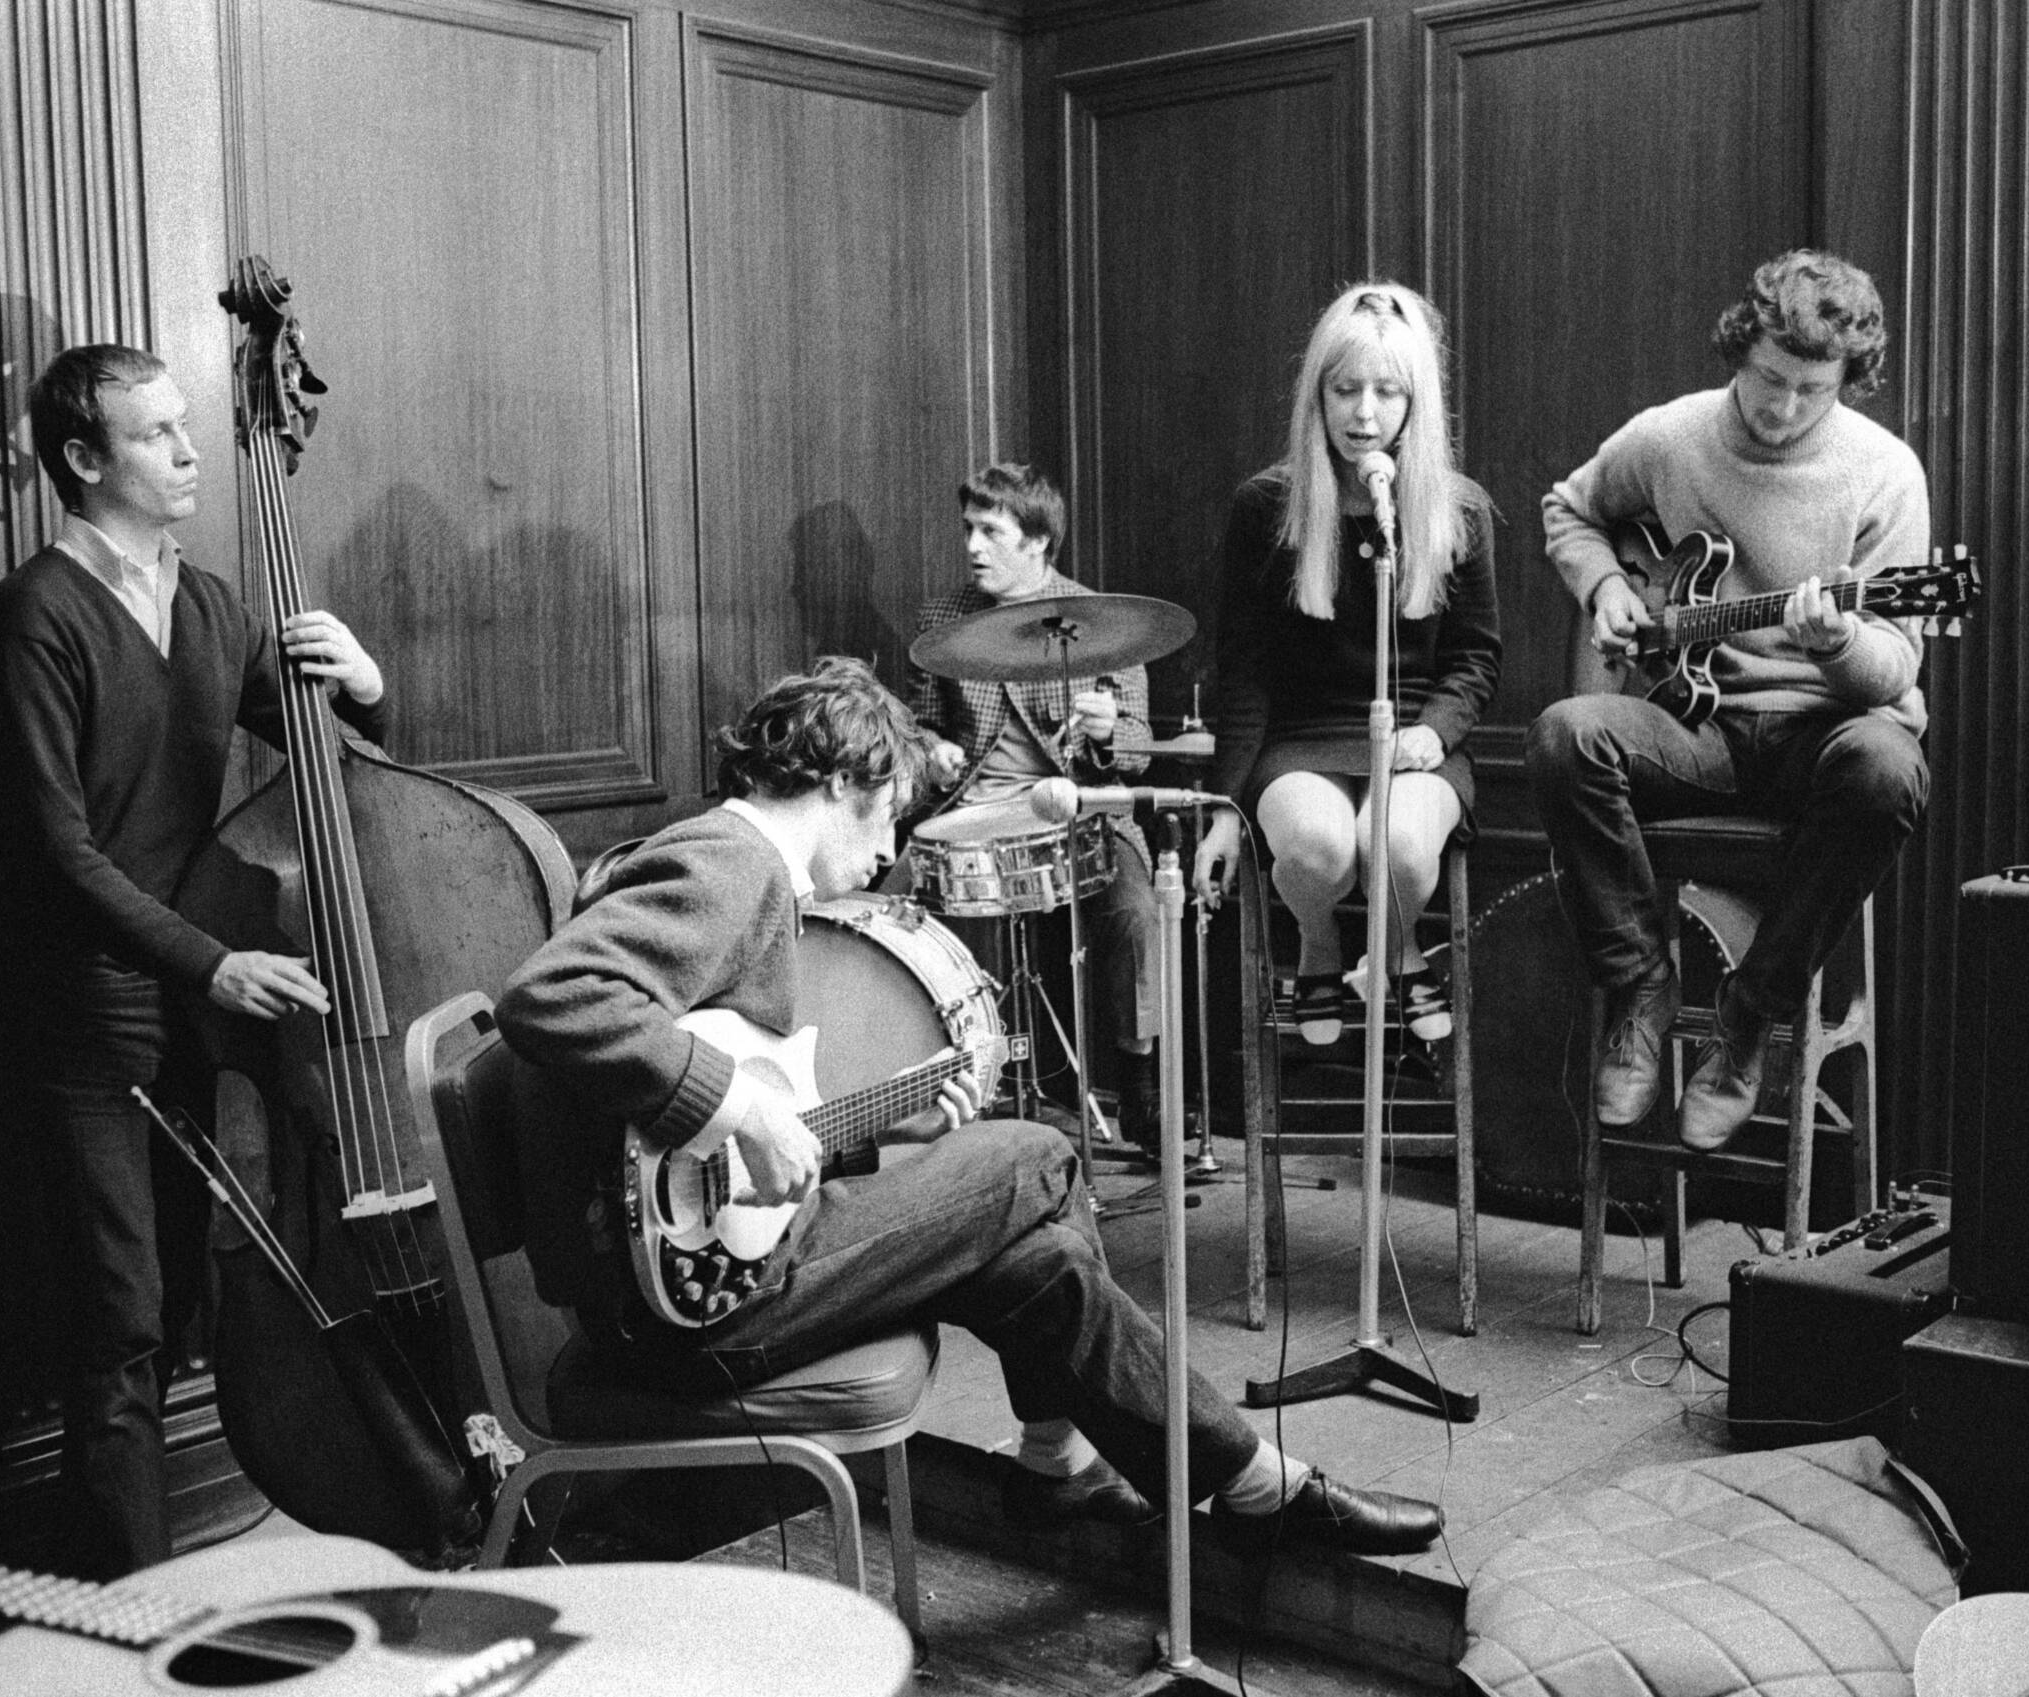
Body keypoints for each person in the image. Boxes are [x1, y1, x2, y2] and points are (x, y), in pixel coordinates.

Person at [496, 658, 1443, 1554]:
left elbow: (719, 1164)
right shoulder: (728, 864)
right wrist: (741, 1105)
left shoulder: (728, 865)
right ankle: (1117, 1473)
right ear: (839, 782)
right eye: (888, 817)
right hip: (697, 1321)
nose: (885, 849)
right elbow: (551, 995)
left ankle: (1217, 1477)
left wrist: (876, 1131)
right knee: (1038, 1153)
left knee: (1039, 1267)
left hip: (694, 1287)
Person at [0, 343, 389, 1577]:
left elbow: (329, 752)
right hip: (91, 1021)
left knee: (188, 1305)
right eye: (157, 435)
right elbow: (58, 853)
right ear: (86, 460)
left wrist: (362, 686)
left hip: (197, 1011)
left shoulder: (207, 603)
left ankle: (163, 1590)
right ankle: (131, 1619)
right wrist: (214, 964)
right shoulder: (35, 614)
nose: (193, 450)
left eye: (187, 426)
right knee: (122, 1322)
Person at [1525, 249, 1931, 1152]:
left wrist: (1838, 643)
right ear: (1738, 351)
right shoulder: (1673, 437)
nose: (1783, 407)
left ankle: (1750, 1017)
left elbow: (1895, 671)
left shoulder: (1885, 473)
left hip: (1821, 739)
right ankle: (1641, 980)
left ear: (1847, 382)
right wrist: (1605, 589)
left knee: (1888, 768)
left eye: (1812, 390)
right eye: (1768, 380)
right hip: (1698, 725)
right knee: (1564, 737)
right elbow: (1569, 509)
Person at [1194, 284, 1502, 1047]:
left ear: (1415, 402)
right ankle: (1321, 941)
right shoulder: (1265, 506)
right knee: (1319, 847)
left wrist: (1436, 729)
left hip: (1417, 738)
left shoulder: (1457, 509)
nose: (1364, 413)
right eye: (1345, 389)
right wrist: (1225, 815)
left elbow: (1475, 653)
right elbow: (1245, 670)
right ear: (1317, 396)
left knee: (1394, 843)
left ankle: (1395, 951)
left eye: (1386, 392)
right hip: (1302, 736)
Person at [904, 464, 1163, 1143]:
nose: (973, 546)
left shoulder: (1102, 619)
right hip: (976, 808)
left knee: (1140, 912)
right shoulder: (944, 619)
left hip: (1079, 811)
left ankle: (1141, 1088)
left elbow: (1139, 746)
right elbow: (916, 727)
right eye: (969, 529)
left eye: (991, 531)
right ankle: (951, 1094)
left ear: (1039, 542)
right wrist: (932, 750)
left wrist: (1109, 731)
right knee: (897, 910)